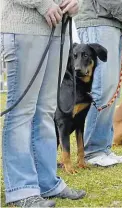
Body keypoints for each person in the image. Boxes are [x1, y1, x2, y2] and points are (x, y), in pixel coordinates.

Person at [0, 0, 86, 207]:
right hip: (24, 29)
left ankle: (47, 181)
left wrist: (76, 3)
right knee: (22, 112)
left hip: (59, 31)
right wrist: (43, 3)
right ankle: (21, 188)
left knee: (46, 111)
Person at [74, 1, 122, 167]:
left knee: (111, 89)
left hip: (112, 22)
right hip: (98, 20)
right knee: (102, 88)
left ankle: (102, 148)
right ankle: (92, 150)